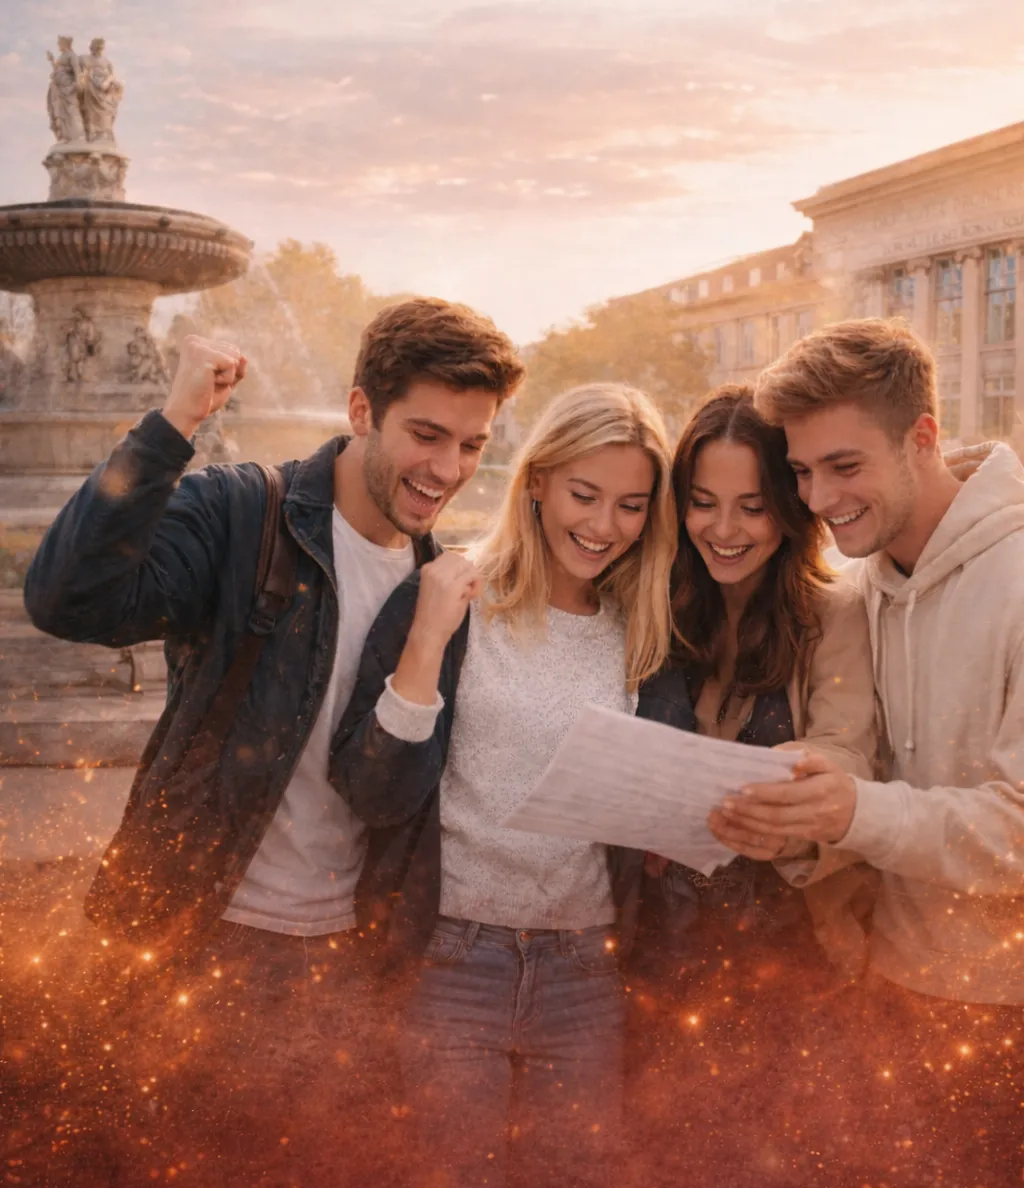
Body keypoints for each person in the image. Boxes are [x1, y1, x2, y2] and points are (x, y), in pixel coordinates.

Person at [23, 298, 524, 1185]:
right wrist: (175, 422)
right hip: (196, 938)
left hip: (343, 965)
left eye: (473, 444)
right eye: (427, 434)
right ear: (361, 410)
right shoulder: (241, 513)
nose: (449, 468)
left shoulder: (437, 584)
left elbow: (391, 791)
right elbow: (69, 599)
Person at [330, 383, 678, 1187]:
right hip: (452, 957)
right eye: (584, 495)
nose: (602, 526)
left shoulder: (645, 632)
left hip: (587, 969)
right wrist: (426, 637)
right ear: (538, 481)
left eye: (630, 506)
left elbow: (657, 801)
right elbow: (372, 790)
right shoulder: (455, 594)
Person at [720, 318, 1024, 1184]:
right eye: (803, 471)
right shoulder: (858, 589)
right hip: (890, 993)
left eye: (843, 466)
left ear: (921, 438)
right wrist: (799, 824)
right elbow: (866, 773)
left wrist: (853, 810)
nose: (816, 499)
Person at [628, 386, 877, 1185]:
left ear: (791, 508)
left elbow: (849, 754)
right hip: (654, 946)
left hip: (785, 953)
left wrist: (787, 806)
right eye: (702, 504)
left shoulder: (831, 613)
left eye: (752, 507)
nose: (724, 532)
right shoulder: (652, 602)